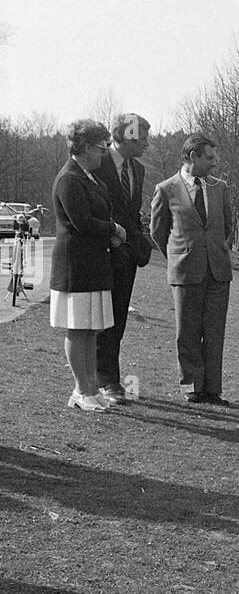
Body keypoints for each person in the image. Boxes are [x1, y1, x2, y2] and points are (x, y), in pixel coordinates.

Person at [49, 119, 127, 413]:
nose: (103, 153)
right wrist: (113, 229)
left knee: (91, 330)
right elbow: (81, 222)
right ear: (82, 147)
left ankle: (89, 388)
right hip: (76, 266)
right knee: (78, 329)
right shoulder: (69, 178)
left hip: (94, 264)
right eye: (99, 147)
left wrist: (112, 234)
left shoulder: (91, 178)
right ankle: (83, 390)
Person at [150, 133, 233, 405]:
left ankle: (212, 389)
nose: (214, 162)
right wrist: (178, 256)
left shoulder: (220, 188)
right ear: (193, 156)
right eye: (209, 157)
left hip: (218, 272)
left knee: (214, 332)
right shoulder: (167, 189)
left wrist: (215, 253)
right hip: (185, 271)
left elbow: (227, 227)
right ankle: (191, 387)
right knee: (187, 332)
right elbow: (158, 232)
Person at [94, 112, 152, 404]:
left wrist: (138, 242)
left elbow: (132, 211)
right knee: (100, 318)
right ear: (127, 136)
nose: (146, 145)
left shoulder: (137, 170)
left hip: (127, 256)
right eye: (142, 138)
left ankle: (108, 378)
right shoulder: (96, 163)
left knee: (117, 319)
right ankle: (105, 380)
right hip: (101, 253)